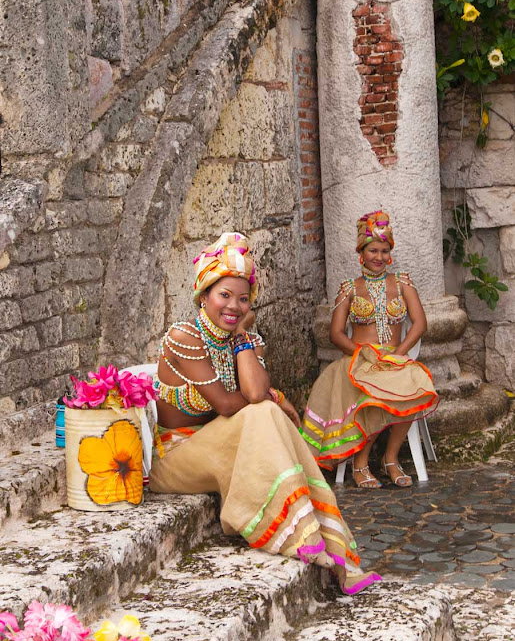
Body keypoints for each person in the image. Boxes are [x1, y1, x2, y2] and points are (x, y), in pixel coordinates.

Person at [149, 231, 381, 595]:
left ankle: (315, 536)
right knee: (264, 413)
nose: (234, 306)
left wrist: (243, 340)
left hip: (225, 450)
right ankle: (295, 530)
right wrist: (272, 398)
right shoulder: (184, 337)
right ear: (204, 295)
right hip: (176, 458)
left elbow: (253, 393)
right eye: (224, 295)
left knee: (264, 413)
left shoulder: (247, 341)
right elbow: (229, 404)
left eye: (243, 299)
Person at [300, 210, 439, 489]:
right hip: (359, 359)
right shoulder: (349, 289)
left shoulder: (403, 284)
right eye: (373, 250)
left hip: (394, 357)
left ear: (391, 253)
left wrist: (399, 353)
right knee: (371, 389)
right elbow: (336, 334)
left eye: (385, 251)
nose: (379, 257)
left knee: (414, 383)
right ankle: (360, 462)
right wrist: (364, 352)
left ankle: (391, 458)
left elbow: (419, 324)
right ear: (361, 252)